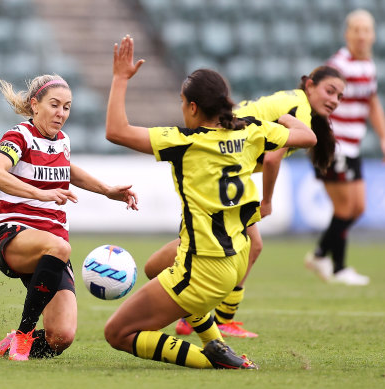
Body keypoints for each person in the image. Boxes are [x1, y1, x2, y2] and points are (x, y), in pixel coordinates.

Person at [103, 35, 316, 369]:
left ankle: (209, 360)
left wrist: (119, 78)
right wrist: (287, 119)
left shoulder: (183, 142)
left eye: (182, 102)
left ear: (192, 107)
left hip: (203, 267)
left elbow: (115, 130)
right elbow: (308, 136)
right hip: (236, 258)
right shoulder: (249, 131)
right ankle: (214, 342)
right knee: (155, 267)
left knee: (117, 333)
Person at [144, 66, 346, 338]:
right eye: (329, 91)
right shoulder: (300, 109)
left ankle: (194, 312)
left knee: (220, 241)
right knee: (246, 244)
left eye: (340, 96)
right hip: (221, 156)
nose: (334, 100)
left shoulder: (296, 103)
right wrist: (268, 200)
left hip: (223, 161)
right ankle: (215, 317)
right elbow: (273, 157)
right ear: (309, 86)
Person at [0, 75, 138, 361]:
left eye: (67, 107)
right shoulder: (19, 136)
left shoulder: (62, 141)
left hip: (52, 247)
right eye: (55, 105)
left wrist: (107, 190)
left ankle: (11, 343)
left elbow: (66, 168)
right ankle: (24, 333)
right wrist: (39, 194)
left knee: (60, 338)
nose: (61, 114)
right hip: (12, 233)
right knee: (59, 246)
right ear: (35, 105)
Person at [305, 9, 385, 286]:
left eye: (366, 30)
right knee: (344, 209)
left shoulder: (368, 66)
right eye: (356, 29)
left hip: (353, 146)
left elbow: (373, 103)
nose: (362, 35)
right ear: (347, 34)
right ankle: (337, 267)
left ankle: (320, 254)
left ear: (373, 35)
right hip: (335, 145)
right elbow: (314, 95)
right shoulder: (338, 65)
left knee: (357, 208)